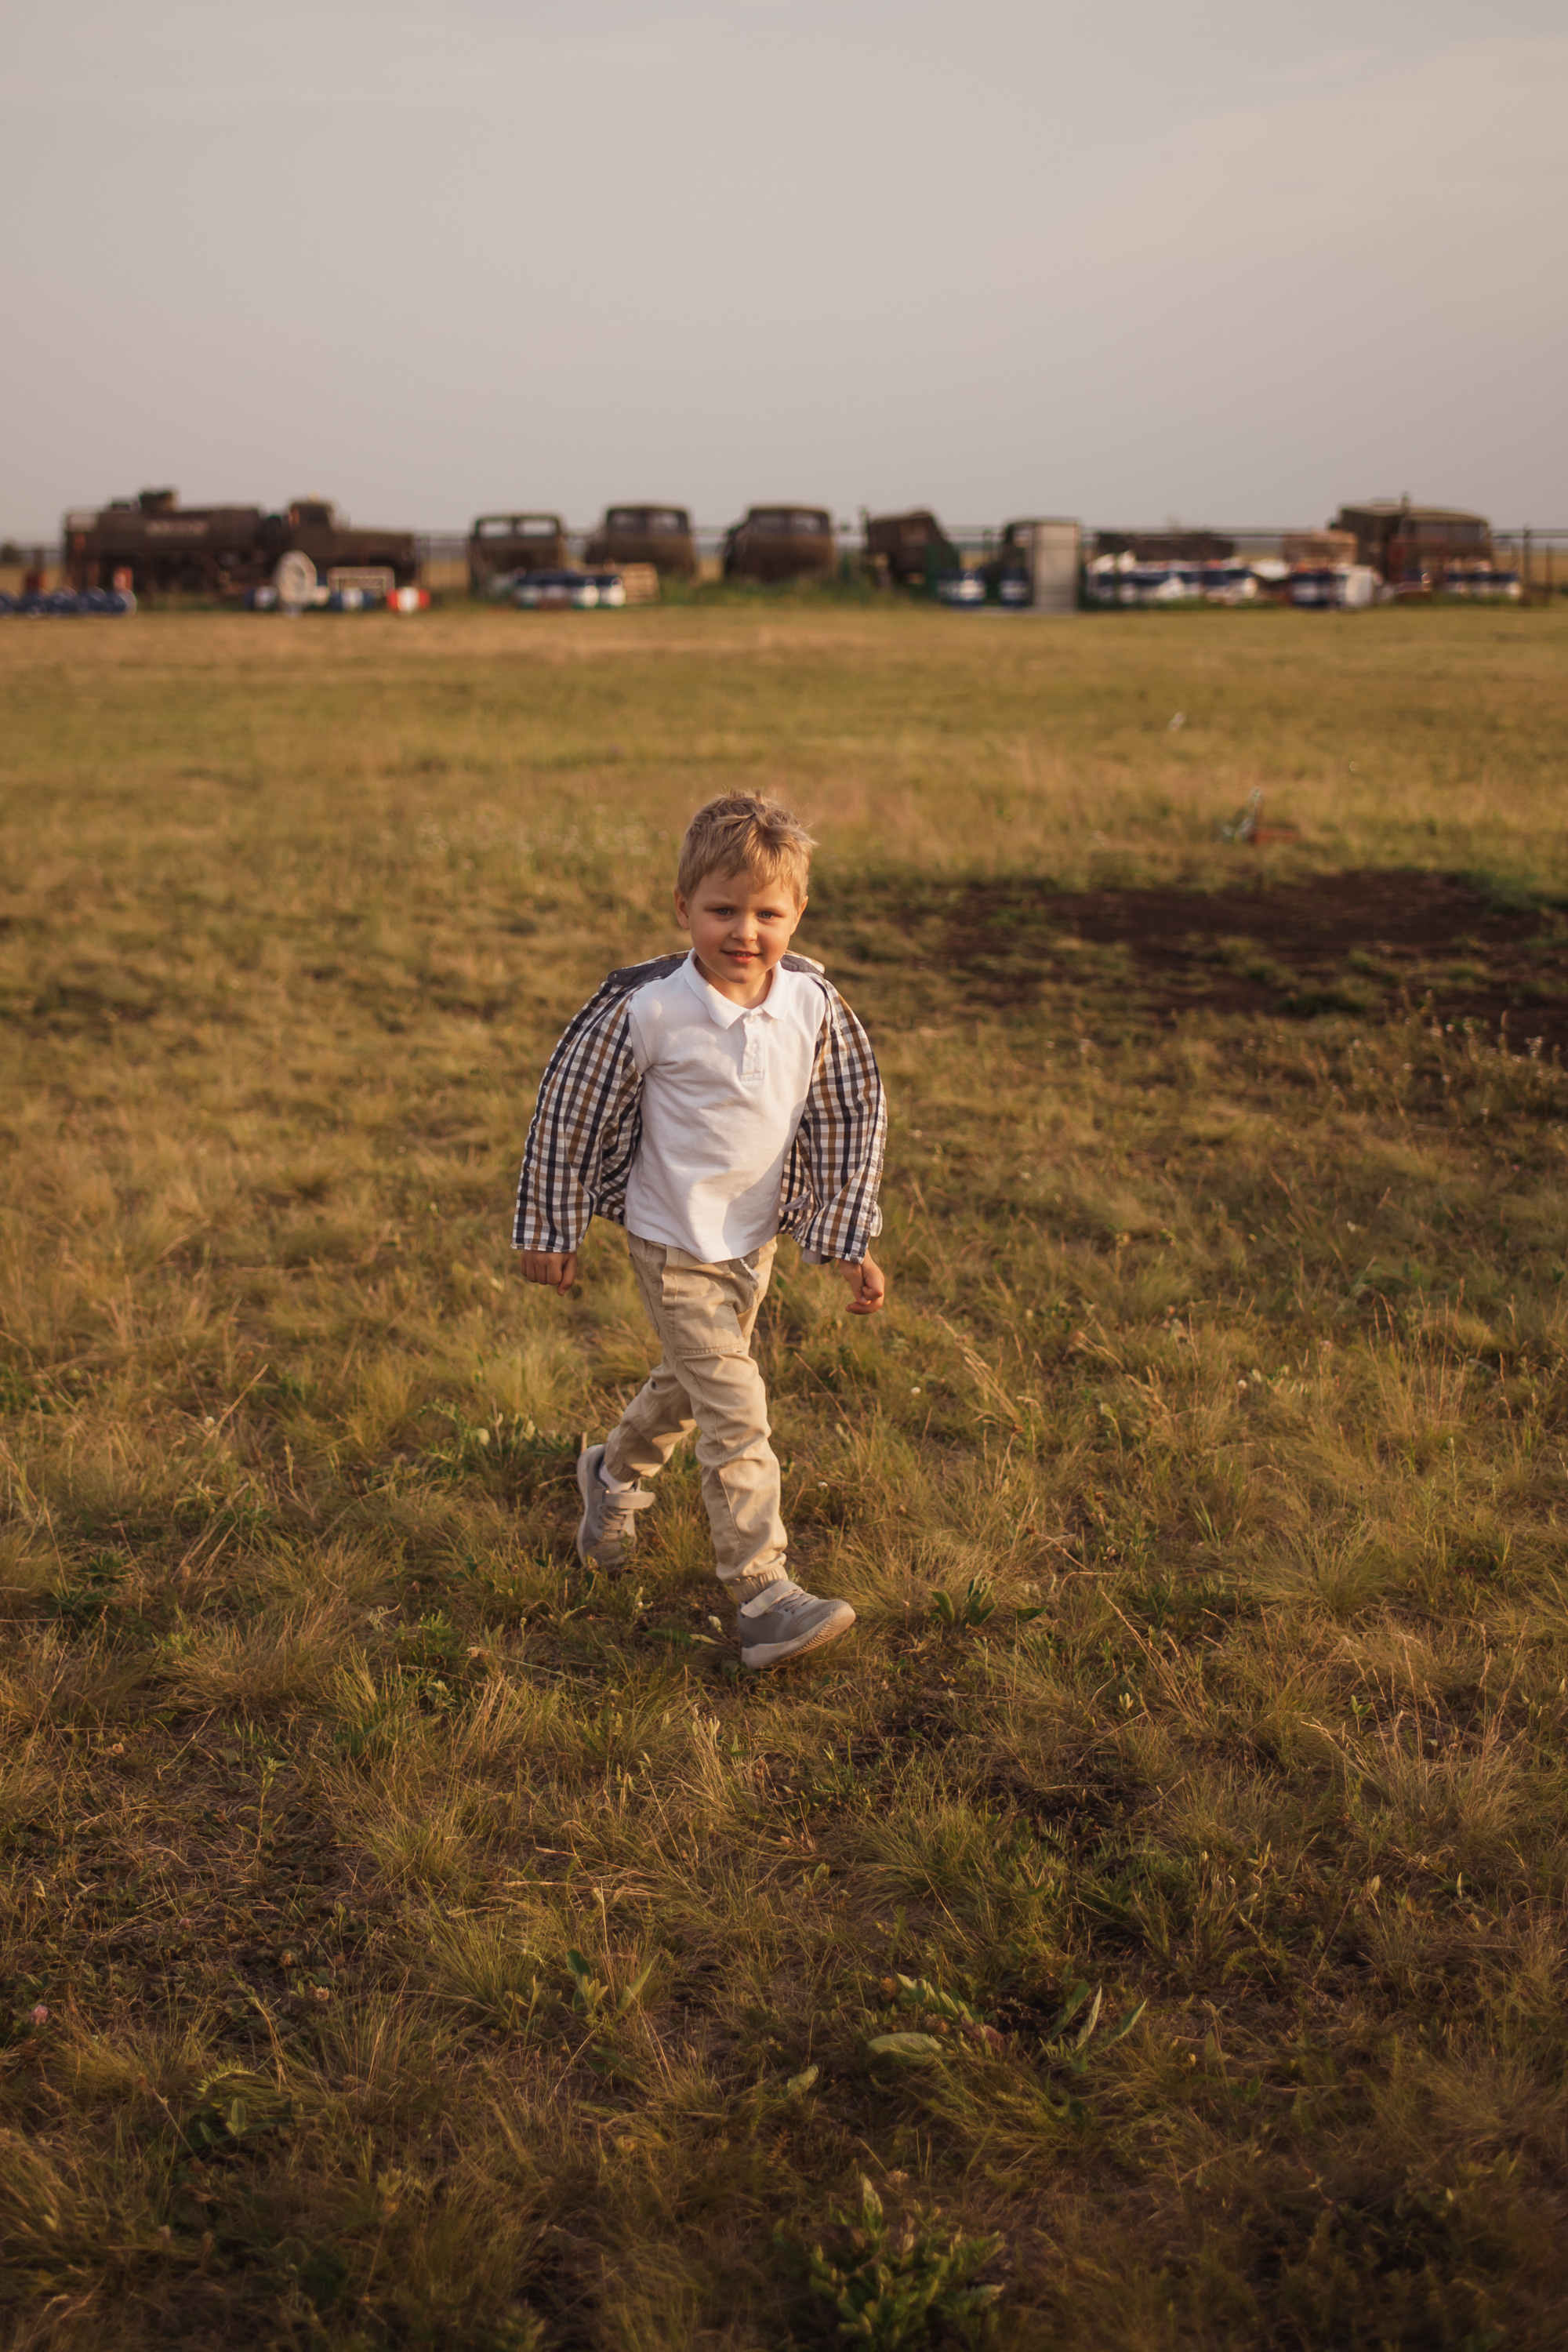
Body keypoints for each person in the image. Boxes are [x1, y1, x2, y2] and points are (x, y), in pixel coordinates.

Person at [513, 793, 886, 1668]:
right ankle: (762, 1594)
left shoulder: (812, 1006)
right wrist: (553, 1226)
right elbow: (569, 1116)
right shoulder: (648, 1010)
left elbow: (844, 1121)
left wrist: (844, 1240)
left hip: (749, 1240)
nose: (743, 932)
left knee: (688, 1384)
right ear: (682, 909)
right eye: (721, 910)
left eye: (767, 913)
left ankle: (611, 1474)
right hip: (671, 1237)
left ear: (798, 914)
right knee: (735, 1409)